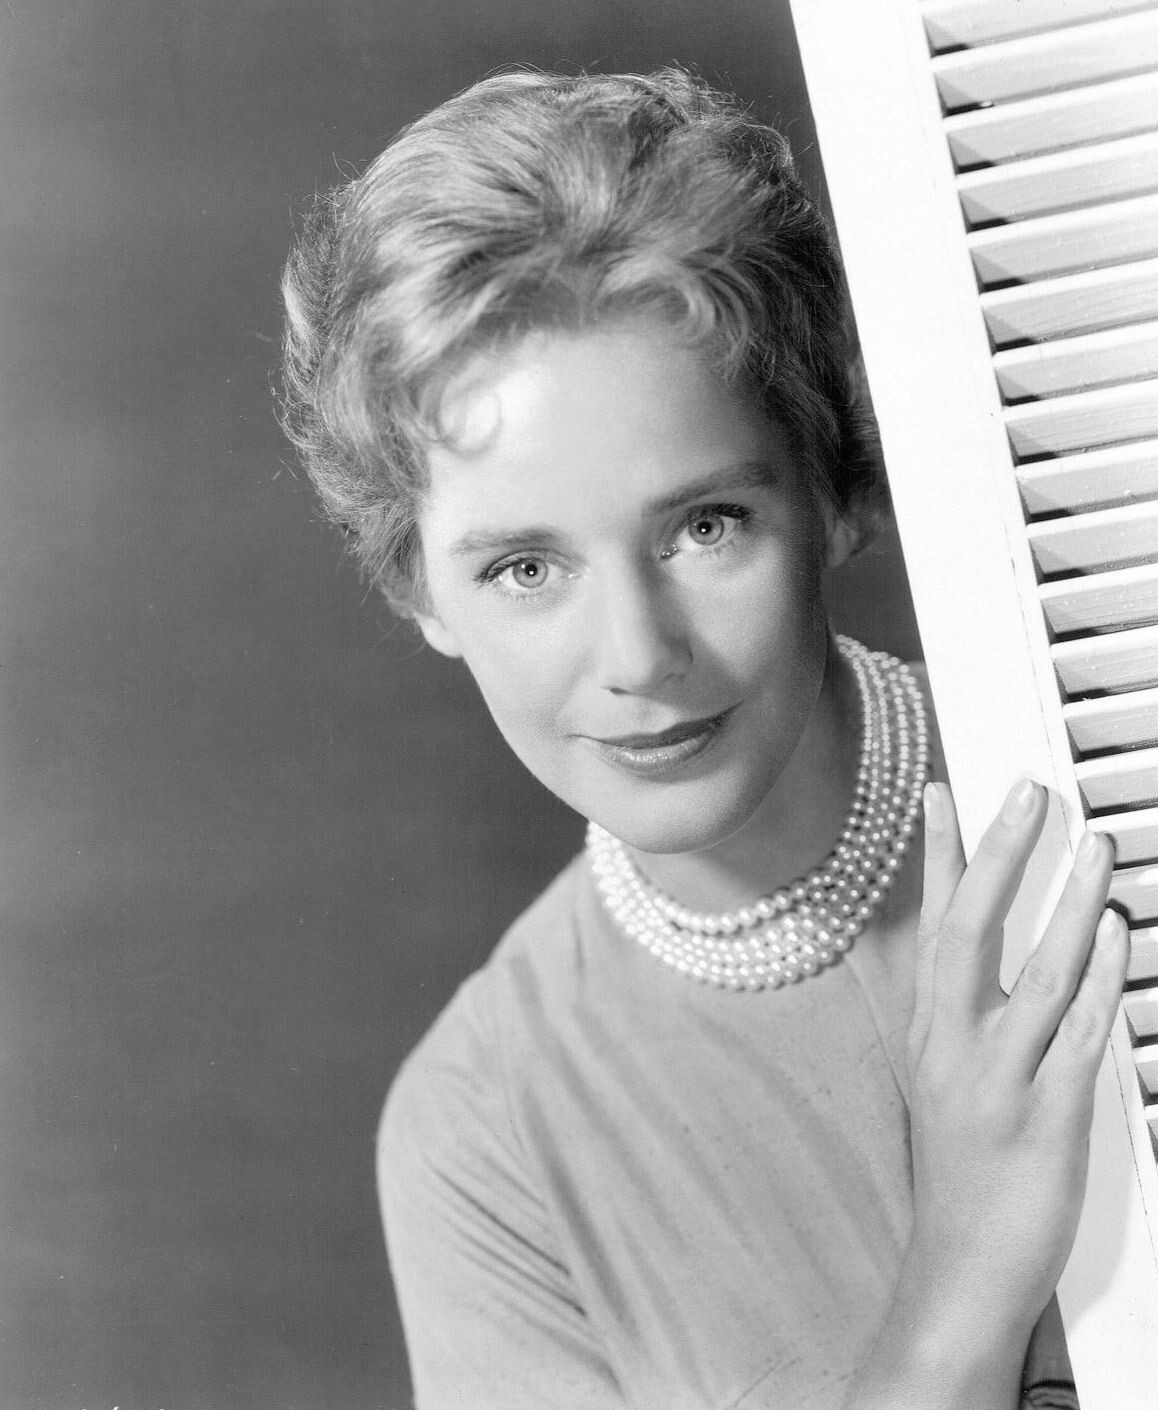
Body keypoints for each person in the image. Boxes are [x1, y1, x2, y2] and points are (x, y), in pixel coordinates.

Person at [279, 69, 1128, 1410]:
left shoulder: (1105, 778)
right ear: (415, 589)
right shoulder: (485, 1136)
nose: (637, 655)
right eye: (523, 568)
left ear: (837, 487)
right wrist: (966, 1269)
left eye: (704, 526)